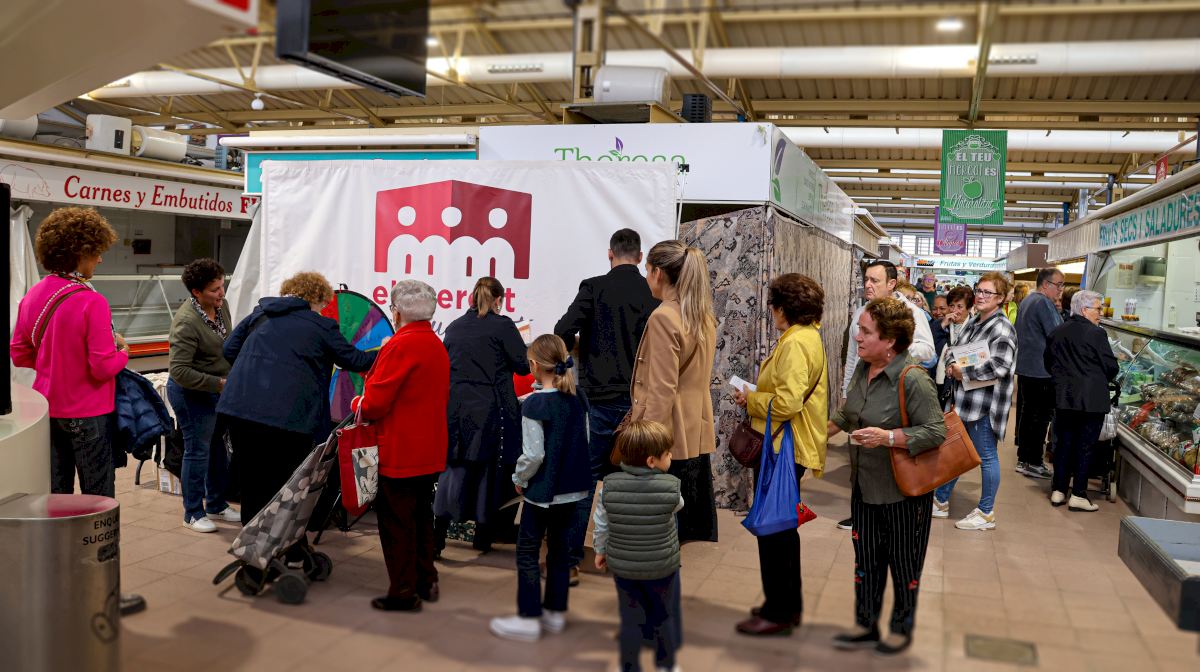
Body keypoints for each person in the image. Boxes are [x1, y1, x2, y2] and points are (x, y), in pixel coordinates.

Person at [9, 206, 145, 616]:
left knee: (56, 500)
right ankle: (103, 593)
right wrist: (124, 351)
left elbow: (18, 351)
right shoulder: (91, 301)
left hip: (47, 413)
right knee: (98, 504)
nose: (99, 259)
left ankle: (56, 588)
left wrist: (54, 364)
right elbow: (102, 366)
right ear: (79, 252)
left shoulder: (35, 295)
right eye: (96, 252)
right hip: (88, 415)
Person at [827, 298, 947, 656]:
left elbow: (936, 431)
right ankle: (865, 624)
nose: (857, 338)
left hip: (903, 492)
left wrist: (889, 437)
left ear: (890, 340)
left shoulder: (914, 379)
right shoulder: (864, 369)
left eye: (866, 332)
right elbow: (849, 414)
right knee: (865, 560)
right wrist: (813, 435)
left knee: (904, 562)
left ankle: (901, 627)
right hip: (865, 486)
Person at [218, 271, 376, 526]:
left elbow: (229, 350)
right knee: (285, 480)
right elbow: (355, 360)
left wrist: (259, 371)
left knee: (251, 477)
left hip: (239, 408)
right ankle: (279, 540)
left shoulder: (261, 313)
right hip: (288, 415)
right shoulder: (321, 326)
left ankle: (251, 539)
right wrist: (387, 349)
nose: (324, 309)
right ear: (317, 299)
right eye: (324, 304)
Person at [554, 228, 659, 582]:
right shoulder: (652, 293)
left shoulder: (594, 287)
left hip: (597, 400)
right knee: (635, 481)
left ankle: (570, 562)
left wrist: (575, 355)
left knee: (583, 483)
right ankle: (632, 561)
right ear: (640, 257)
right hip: (638, 403)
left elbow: (561, 330)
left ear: (610, 253)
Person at [732, 274, 827, 636]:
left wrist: (752, 399)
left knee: (774, 531)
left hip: (782, 448)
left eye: (773, 305)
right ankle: (787, 605)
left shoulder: (796, 343)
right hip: (789, 445)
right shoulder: (806, 337)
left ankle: (778, 612)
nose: (771, 311)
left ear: (784, 309)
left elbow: (787, 403)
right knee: (782, 529)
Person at [352, 280, 450, 612]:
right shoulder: (435, 344)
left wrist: (357, 402)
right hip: (429, 448)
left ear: (395, 312)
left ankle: (403, 591)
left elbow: (375, 404)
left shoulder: (399, 345)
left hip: (400, 449)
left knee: (397, 524)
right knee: (421, 517)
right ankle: (426, 579)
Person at [490, 335, 592, 642]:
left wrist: (519, 479)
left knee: (528, 552)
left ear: (534, 365)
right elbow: (584, 443)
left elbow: (534, 455)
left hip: (543, 492)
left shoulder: (534, 404)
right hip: (573, 489)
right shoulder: (578, 397)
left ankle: (529, 617)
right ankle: (555, 613)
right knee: (560, 551)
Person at [628, 240, 718, 543]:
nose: (646, 278)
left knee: (660, 521)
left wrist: (649, 444)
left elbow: (661, 388)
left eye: (647, 271)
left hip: (668, 430)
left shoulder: (664, 317)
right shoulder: (702, 316)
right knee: (679, 514)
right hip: (694, 427)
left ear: (658, 273)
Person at [436, 277, 531, 553]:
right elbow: (524, 366)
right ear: (499, 300)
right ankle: (482, 538)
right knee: (489, 476)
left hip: (457, 411)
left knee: (453, 471)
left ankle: (437, 538)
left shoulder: (454, 326)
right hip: (492, 410)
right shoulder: (503, 326)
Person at [839, 260, 936, 531]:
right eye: (866, 280)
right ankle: (861, 512)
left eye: (875, 280)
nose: (868, 285)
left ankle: (897, 513)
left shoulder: (911, 312)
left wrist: (892, 352)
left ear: (892, 284)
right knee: (861, 456)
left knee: (891, 458)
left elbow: (928, 351)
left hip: (894, 392)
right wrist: (848, 392)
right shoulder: (862, 312)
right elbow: (853, 357)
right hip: (864, 390)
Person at [593, 420, 684, 672]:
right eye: (667, 453)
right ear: (652, 461)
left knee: (630, 619)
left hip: (624, 568)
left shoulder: (608, 487)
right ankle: (667, 665)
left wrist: (600, 551)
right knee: (663, 616)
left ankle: (629, 666)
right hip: (662, 567)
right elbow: (679, 506)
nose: (671, 456)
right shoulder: (671, 489)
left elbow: (601, 524)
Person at [934, 272, 1017, 531]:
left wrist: (964, 373)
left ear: (1000, 298)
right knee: (959, 453)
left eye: (987, 292)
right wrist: (952, 366)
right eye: (979, 290)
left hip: (985, 406)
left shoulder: (1001, 328)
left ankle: (986, 512)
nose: (980, 296)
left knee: (987, 457)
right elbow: (955, 350)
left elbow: (1000, 367)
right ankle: (940, 500)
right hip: (965, 403)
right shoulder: (975, 322)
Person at [167, 258, 239, 533]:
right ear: (196, 292)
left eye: (222, 285)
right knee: (197, 451)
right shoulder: (187, 322)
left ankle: (216, 504)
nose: (221, 293)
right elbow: (179, 370)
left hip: (216, 391)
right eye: (214, 289)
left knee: (218, 448)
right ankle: (193, 513)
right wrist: (218, 383)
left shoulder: (222, 306)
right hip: (191, 395)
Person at [1044, 291, 1119, 512]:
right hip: (1091, 400)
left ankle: (1059, 490)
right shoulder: (1097, 333)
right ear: (1085, 310)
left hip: (1064, 398)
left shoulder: (1057, 331)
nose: (1100, 313)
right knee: (1085, 447)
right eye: (1098, 309)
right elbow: (1111, 367)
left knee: (1064, 444)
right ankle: (1078, 494)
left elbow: (1048, 362)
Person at [1013, 268, 1065, 480]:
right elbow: (1057, 333)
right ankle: (1034, 462)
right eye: (1058, 285)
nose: (1060, 290)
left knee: (1029, 415)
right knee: (1040, 418)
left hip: (1027, 368)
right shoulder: (1043, 303)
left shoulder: (1027, 300)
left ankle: (1024, 459)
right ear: (1045, 284)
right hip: (1042, 371)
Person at [935, 286, 974, 403]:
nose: (954, 310)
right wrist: (942, 326)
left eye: (960, 306)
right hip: (939, 379)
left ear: (969, 308)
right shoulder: (939, 324)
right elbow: (932, 348)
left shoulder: (976, 327)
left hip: (963, 380)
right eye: (952, 306)